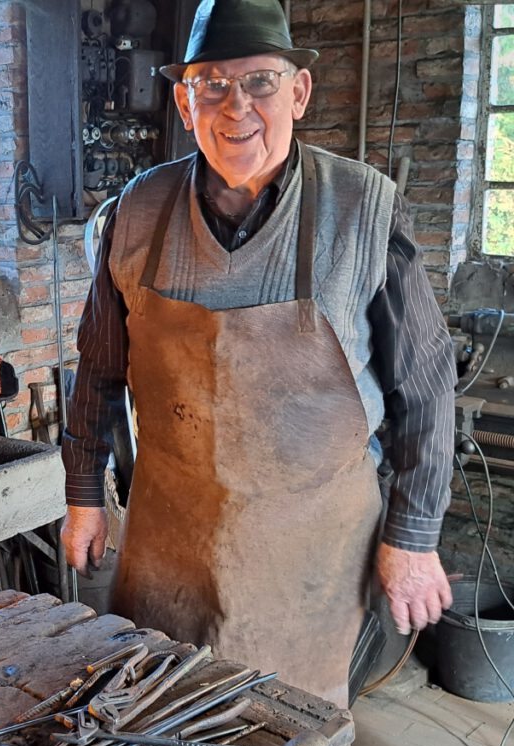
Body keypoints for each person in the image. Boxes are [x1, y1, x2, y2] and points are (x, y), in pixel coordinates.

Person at [60, 0, 456, 708]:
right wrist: (85, 496)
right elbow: (97, 368)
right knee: (158, 720)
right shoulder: (135, 212)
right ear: (185, 102)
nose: (234, 106)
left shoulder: (362, 208)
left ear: (298, 92)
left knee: (289, 730)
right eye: (210, 83)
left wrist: (414, 535)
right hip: (167, 543)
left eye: (260, 83)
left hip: (311, 556)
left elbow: (425, 387)